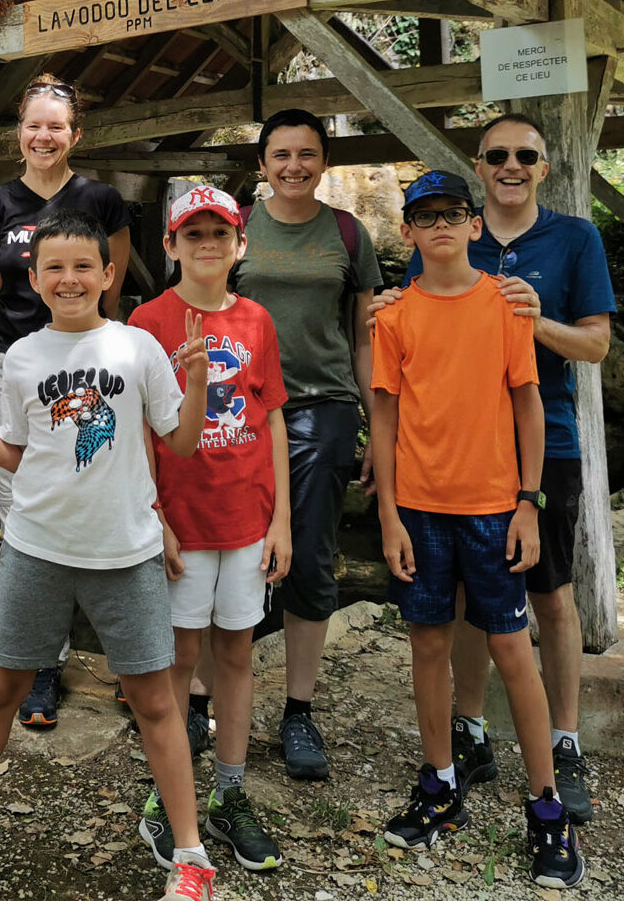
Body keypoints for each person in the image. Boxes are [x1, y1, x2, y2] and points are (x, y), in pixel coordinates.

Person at [0, 211, 215, 901]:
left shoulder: (137, 347)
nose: (69, 278)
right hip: (37, 548)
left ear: (109, 275)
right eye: (54, 267)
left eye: (84, 266)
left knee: (153, 700)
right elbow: (20, 455)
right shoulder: (24, 356)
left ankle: (191, 855)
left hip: (126, 552)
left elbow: (178, 443)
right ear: (33, 278)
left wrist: (199, 383)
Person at [374, 113, 614, 823]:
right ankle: (466, 739)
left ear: (544, 167)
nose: (512, 164)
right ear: (482, 166)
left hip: (534, 459)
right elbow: (404, 374)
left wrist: (530, 321)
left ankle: (559, 750)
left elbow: (593, 348)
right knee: (450, 618)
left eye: (526, 155)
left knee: (549, 599)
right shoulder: (425, 273)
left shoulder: (573, 238)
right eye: (498, 154)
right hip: (433, 481)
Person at [129, 186, 291, 874]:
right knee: (178, 658)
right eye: (191, 234)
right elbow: (139, 427)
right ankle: (170, 795)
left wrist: (282, 518)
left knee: (239, 655)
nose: (206, 245)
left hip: (247, 516)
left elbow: (274, 415)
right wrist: (153, 515)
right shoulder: (147, 322)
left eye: (218, 234)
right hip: (183, 520)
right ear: (170, 245)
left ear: (239, 244)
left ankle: (228, 792)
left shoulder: (257, 320)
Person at [0, 74, 130, 729]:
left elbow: (109, 290)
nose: (43, 136)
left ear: (75, 135)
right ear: (19, 132)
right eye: (33, 125)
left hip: (84, 366)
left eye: (56, 127)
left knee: (87, 490)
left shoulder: (100, 199)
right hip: (11, 361)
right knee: (17, 504)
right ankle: (40, 662)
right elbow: (3, 289)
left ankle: (125, 653)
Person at [231, 108, 380, 780]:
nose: (294, 165)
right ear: (262, 164)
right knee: (223, 548)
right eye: (281, 154)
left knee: (311, 555)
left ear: (324, 162)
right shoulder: (234, 226)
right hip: (235, 411)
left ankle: (298, 710)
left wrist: (375, 425)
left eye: (307, 154)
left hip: (322, 407)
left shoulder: (348, 234)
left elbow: (364, 337)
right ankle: (207, 699)